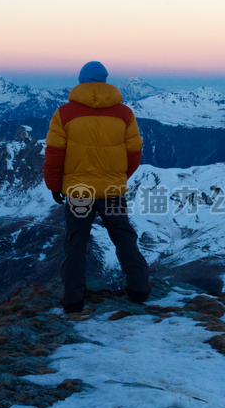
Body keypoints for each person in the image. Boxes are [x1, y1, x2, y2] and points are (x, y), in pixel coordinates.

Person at [43, 61, 150, 313]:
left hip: (79, 193)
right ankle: (138, 289)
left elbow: (54, 153)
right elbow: (135, 152)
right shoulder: (124, 113)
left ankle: (73, 299)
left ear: (81, 81)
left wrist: (54, 185)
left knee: (76, 243)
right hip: (113, 193)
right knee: (124, 238)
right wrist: (119, 177)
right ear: (104, 81)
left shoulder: (65, 113)